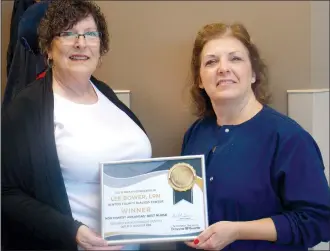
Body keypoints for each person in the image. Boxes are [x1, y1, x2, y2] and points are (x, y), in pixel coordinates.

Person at [1, 0, 151, 250]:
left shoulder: (106, 95)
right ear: (48, 48)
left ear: (100, 47)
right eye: (68, 33)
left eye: (90, 34)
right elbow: (6, 192)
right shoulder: (26, 108)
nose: (81, 42)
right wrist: (72, 231)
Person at [178, 22, 330, 251]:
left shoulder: (288, 138)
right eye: (211, 62)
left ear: (253, 73)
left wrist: (238, 230)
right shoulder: (195, 134)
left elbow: (318, 220)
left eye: (235, 59)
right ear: (200, 79)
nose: (223, 68)